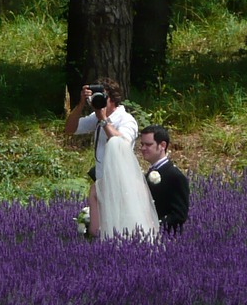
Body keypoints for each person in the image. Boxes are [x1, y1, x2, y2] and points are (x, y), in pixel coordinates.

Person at [64, 79, 156, 239]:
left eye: (102, 97)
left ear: (112, 99)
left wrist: (103, 119)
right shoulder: (97, 117)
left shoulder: (126, 120)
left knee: (121, 229)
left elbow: (122, 145)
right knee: (99, 232)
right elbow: (70, 129)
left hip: (121, 184)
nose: (98, 100)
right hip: (102, 181)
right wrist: (80, 105)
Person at [137, 125, 189, 233]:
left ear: (162, 145)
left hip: (166, 239)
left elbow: (179, 215)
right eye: (142, 144)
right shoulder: (149, 174)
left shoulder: (175, 176)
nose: (143, 148)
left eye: (148, 144)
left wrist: (156, 226)